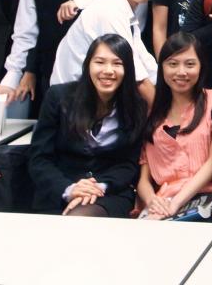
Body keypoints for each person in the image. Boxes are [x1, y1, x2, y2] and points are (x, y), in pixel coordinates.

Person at [29, 34, 148, 217]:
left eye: (117, 64)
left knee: (81, 218)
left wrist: (96, 187)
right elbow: (39, 158)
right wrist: (70, 189)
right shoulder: (58, 98)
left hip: (108, 192)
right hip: (59, 189)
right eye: (100, 62)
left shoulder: (136, 106)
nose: (108, 70)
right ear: (88, 65)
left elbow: (128, 165)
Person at [50, 0, 158, 104]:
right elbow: (137, 75)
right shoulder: (110, 10)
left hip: (92, 97)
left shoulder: (122, 8)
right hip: (71, 101)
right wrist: (165, 115)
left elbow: (148, 65)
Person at [137, 32, 212, 220]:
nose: (181, 72)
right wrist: (152, 200)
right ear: (161, 67)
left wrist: (176, 203)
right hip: (164, 201)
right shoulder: (151, 115)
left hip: (207, 197)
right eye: (172, 64)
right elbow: (144, 178)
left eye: (190, 64)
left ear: (201, 67)